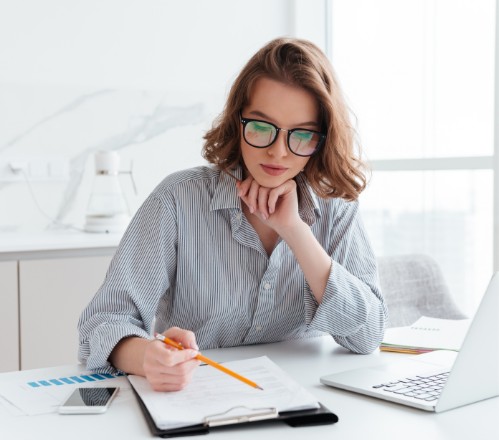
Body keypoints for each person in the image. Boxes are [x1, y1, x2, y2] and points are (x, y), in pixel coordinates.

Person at [78, 37, 387, 391]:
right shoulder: (178, 200)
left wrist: (295, 231)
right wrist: (148, 357)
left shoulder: (336, 207)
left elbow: (368, 334)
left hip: (305, 403)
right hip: (197, 401)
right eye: (260, 127)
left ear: (322, 138)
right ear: (237, 121)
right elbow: (101, 324)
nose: (278, 152)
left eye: (301, 135)